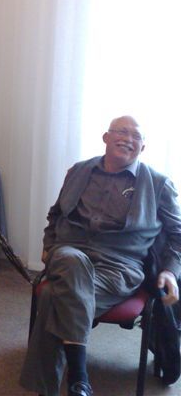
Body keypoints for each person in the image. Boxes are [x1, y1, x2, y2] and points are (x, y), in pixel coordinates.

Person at [20, 115, 181, 396]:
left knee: (52, 296)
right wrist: (48, 244)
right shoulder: (78, 171)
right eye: (121, 131)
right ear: (106, 137)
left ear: (143, 147)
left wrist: (169, 271)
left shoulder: (158, 184)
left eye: (136, 136)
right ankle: (79, 377)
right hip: (68, 253)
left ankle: (51, 387)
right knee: (72, 261)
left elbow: (178, 234)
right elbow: (55, 214)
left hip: (119, 267)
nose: (127, 139)